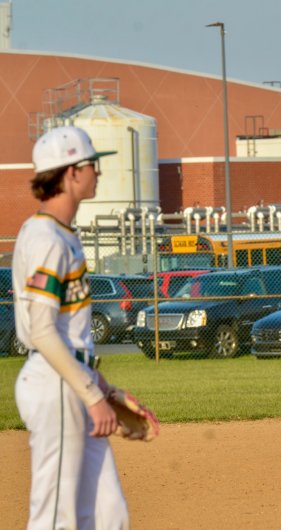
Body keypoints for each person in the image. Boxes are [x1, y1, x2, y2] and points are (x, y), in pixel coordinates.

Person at [13, 126, 131, 528]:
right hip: (55, 383)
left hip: (73, 376)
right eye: (92, 164)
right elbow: (42, 331)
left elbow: (68, 333)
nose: (97, 171)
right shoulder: (46, 237)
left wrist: (104, 388)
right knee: (55, 515)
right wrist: (89, 394)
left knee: (106, 513)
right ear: (70, 172)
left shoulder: (64, 235)